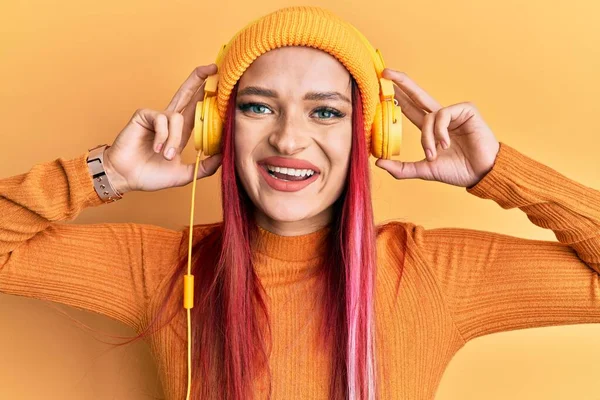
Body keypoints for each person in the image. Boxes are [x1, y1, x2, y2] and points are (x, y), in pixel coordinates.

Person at [1, 5, 599, 400]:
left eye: (326, 112)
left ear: (370, 135)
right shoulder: (161, 266)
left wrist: (497, 171)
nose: (288, 138)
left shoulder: (434, 274)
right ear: (217, 128)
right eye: (258, 107)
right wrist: (107, 171)